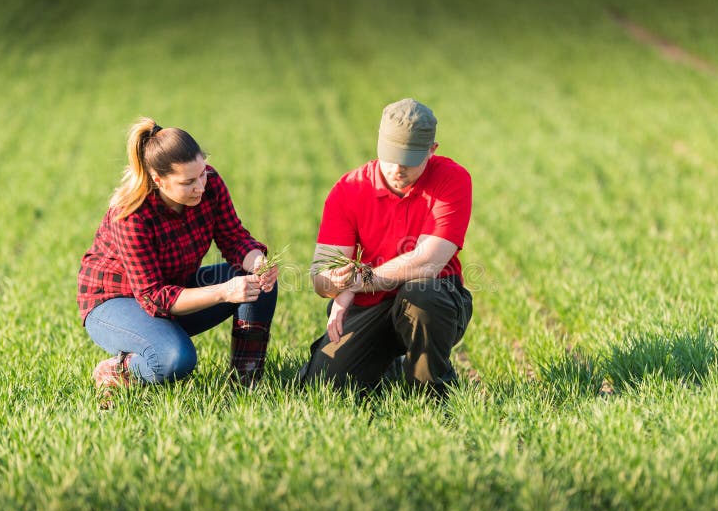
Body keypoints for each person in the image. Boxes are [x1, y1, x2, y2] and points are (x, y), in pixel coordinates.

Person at [77, 117, 278, 398]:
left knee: (257, 282)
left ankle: (245, 380)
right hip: (115, 301)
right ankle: (118, 369)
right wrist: (223, 292)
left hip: (174, 286)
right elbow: (154, 297)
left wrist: (258, 263)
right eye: (188, 182)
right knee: (175, 360)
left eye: (202, 173)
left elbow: (234, 238)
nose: (200, 186)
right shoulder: (131, 215)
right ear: (158, 180)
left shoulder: (209, 185)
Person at [300, 98, 473, 396]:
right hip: (372, 304)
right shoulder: (349, 190)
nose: (397, 168)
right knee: (325, 386)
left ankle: (431, 387)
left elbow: (426, 263)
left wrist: (356, 284)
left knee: (421, 294)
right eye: (391, 155)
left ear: (432, 151)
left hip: (433, 299)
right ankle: (386, 364)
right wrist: (334, 283)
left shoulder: (452, 179)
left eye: (410, 158)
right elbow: (320, 276)